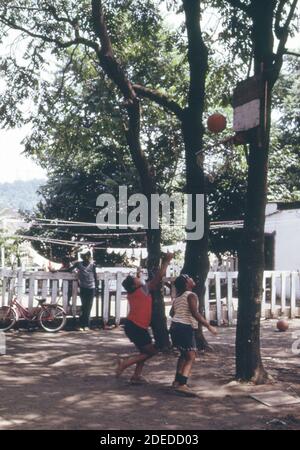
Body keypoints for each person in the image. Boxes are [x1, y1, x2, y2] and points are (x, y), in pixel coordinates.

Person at [116, 253, 174, 385]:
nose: (138, 278)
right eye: (135, 279)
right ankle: (126, 363)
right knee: (152, 351)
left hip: (133, 326)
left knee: (144, 351)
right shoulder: (143, 289)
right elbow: (159, 277)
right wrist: (166, 261)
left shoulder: (135, 291)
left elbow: (142, 278)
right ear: (134, 285)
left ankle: (136, 376)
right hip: (136, 327)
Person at [169, 274, 217, 396]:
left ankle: (177, 381)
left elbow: (171, 313)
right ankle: (183, 385)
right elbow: (195, 313)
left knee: (183, 355)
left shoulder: (178, 298)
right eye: (189, 278)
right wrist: (209, 326)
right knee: (191, 356)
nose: (192, 279)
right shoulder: (191, 295)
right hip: (184, 327)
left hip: (175, 327)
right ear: (186, 283)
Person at [59, 250, 98, 331]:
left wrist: (97, 288)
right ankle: (82, 324)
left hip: (91, 288)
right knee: (84, 306)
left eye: (85, 256)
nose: (84, 257)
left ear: (88, 256)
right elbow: (68, 270)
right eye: (83, 256)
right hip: (83, 288)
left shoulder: (92, 265)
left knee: (88, 307)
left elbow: (95, 277)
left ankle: (86, 325)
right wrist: (56, 270)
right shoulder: (78, 264)